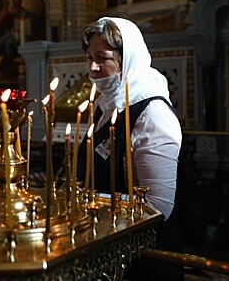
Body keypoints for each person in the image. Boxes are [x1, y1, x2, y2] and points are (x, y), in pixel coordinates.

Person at [77, 17, 183, 280]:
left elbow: (159, 206)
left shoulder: (152, 112)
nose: (93, 67)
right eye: (90, 57)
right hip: (110, 246)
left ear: (128, 58)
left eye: (103, 58)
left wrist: (88, 202)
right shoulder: (106, 105)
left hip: (146, 254)